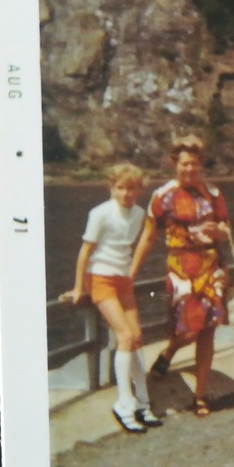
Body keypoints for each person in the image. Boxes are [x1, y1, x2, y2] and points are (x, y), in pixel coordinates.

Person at [130, 135, 230, 418]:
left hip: (211, 266)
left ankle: (200, 394)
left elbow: (227, 231)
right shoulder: (163, 196)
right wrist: (131, 273)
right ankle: (169, 352)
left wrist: (217, 232)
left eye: (195, 164)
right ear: (174, 164)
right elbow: (148, 237)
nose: (190, 170)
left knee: (207, 329)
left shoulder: (213, 193)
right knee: (187, 328)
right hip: (180, 269)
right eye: (185, 164)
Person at [62, 163, 161, 434]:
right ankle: (123, 403)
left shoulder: (140, 213)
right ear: (111, 188)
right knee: (125, 336)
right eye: (120, 188)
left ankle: (143, 402)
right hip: (101, 279)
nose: (126, 193)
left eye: (131, 188)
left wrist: (129, 274)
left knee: (137, 338)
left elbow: (139, 243)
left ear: (139, 190)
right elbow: (85, 252)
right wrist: (78, 288)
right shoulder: (100, 214)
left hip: (122, 281)